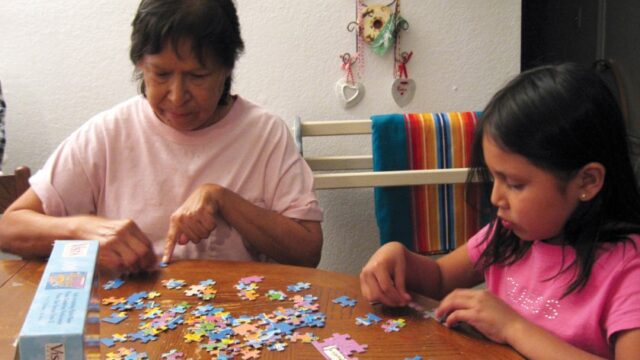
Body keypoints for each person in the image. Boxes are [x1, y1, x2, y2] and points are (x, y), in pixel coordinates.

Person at [0, 0, 323, 274]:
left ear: (226, 69)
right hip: (127, 326)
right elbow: (9, 227)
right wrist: (82, 229)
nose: (176, 95)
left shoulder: (264, 133)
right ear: (141, 65)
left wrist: (223, 199)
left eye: (197, 76)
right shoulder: (108, 133)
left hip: (236, 324)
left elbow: (307, 251)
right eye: (161, 74)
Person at [360, 63, 640, 359]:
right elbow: (440, 279)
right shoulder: (507, 234)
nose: (496, 198)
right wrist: (397, 256)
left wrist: (513, 328)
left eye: (515, 184)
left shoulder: (628, 270)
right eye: (494, 178)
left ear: (587, 181)